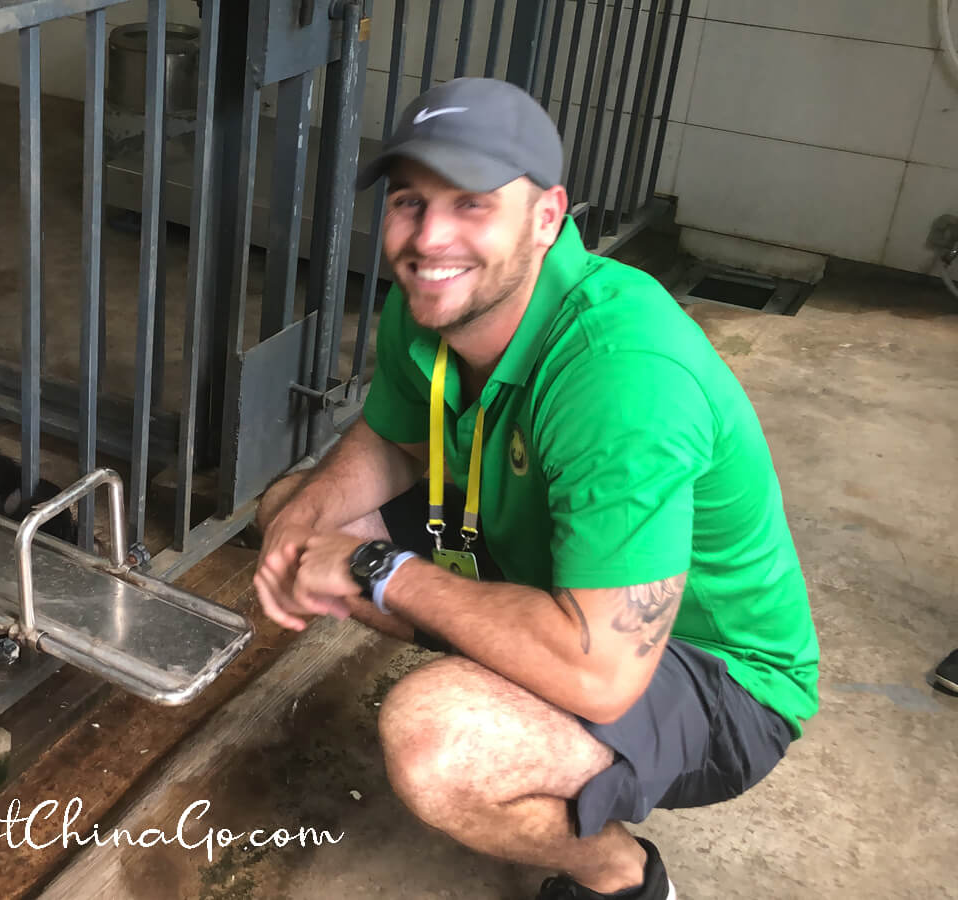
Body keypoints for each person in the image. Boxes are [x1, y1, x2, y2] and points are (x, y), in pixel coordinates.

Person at [252, 77, 820, 900]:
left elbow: (603, 676)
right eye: (411, 202)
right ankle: (511, 651)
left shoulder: (624, 373)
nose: (430, 236)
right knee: (291, 514)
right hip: (540, 571)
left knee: (437, 738)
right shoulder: (437, 298)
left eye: (472, 203)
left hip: (716, 675)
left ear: (548, 218)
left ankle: (620, 876)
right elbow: (394, 438)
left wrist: (382, 568)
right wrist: (299, 521)